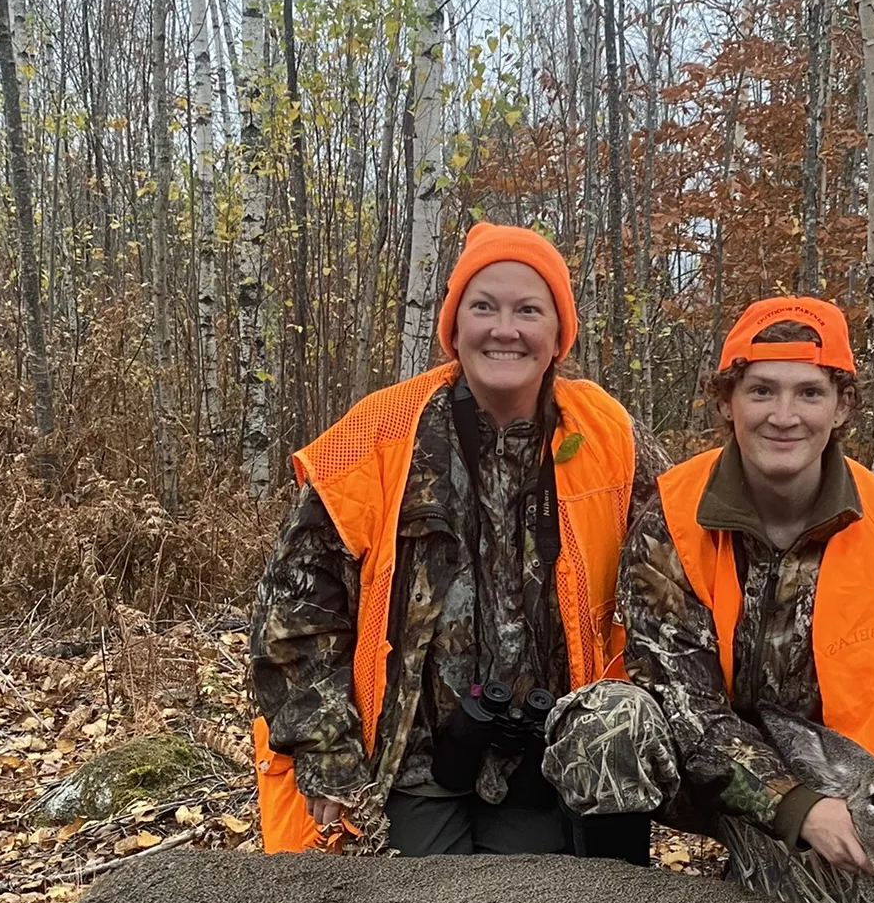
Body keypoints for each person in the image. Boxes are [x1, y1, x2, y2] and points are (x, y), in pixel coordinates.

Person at [249, 223, 656, 859]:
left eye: (529, 310)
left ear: (558, 335)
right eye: (483, 306)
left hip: (552, 756)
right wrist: (325, 746)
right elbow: (296, 606)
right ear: (454, 326)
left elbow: (681, 570)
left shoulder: (609, 434)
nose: (504, 329)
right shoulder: (378, 432)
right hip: (414, 757)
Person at [546, 295, 874, 879]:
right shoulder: (672, 518)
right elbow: (685, 709)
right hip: (698, 772)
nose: (784, 415)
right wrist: (800, 811)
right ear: (727, 401)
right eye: (761, 390)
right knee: (606, 722)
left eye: (809, 392)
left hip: (842, 782)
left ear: (841, 406)